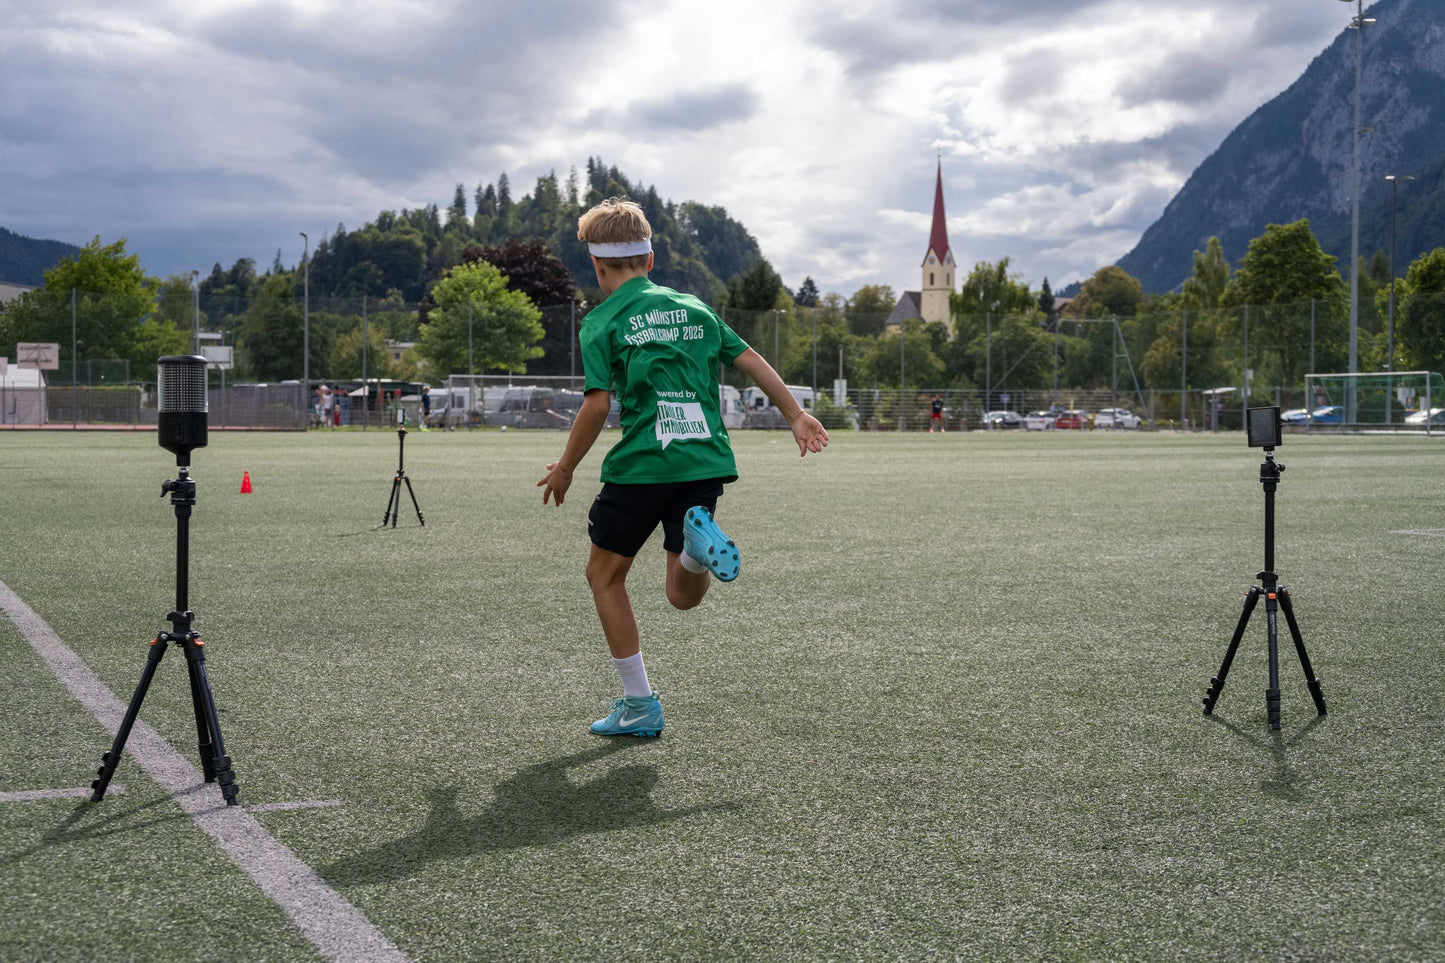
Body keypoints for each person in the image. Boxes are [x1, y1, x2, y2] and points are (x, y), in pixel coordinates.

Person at [537, 197, 829, 738]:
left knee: (604, 575)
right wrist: (796, 415)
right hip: (703, 464)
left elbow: (598, 405)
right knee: (680, 593)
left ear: (599, 268)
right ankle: (697, 552)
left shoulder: (602, 322)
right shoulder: (695, 309)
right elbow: (750, 360)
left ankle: (640, 703)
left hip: (643, 466)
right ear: (651, 261)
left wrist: (567, 468)